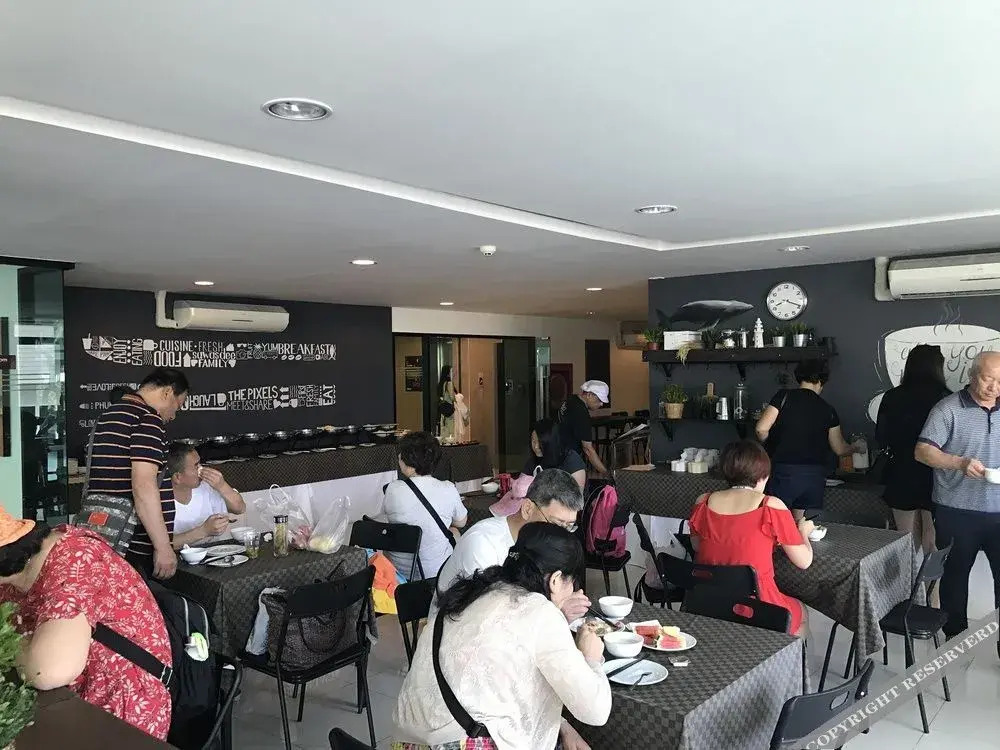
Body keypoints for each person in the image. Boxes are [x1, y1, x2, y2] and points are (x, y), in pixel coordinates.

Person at [393, 523, 611, 750]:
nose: (573, 591)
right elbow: (595, 711)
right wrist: (591, 658)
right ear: (555, 580)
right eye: (572, 583)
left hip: (407, 742)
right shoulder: (541, 612)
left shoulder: (471, 592)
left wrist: (562, 726)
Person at [0, 510, 172, 739]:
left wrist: (7, 644)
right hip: (61, 700)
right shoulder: (13, 572)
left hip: (120, 707)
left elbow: (48, 671)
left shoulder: (75, 559)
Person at [688, 440, 814, 637]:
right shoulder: (770, 506)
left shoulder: (703, 501)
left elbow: (696, 545)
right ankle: (791, 657)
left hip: (708, 602)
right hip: (758, 607)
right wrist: (803, 532)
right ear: (763, 476)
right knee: (802, 612)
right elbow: (804, 562)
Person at [915, 351, 1000, 644]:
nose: (994, 387)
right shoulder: (947, 409)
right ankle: (956, 642)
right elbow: (922, 451)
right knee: (954, 579)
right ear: (972, 375)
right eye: (988, 379)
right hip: (956, 511)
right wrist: (959, 463)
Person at [86, 367, 189, 579]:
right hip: (132, 544)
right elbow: (144, 487)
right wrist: (163, 547)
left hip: (102, 535)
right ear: (167, 392)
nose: (173, 415)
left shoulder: (107, 417)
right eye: (177, 406)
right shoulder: (147, 419)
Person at [755, 359, 861, 522]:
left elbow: (761, 429)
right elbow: (839, 448)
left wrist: (772, 442)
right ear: (821, 381)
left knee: (775, 522)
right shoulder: (828, 409)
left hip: (783, 472)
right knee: (802, 525)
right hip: (814, 476)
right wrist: (855, 448)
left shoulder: (784, 397)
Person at [876, 345, 950, 561]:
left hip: (900, 471)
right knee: (932, 540)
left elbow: (881, 437)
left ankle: (907, 582)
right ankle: (932, 584)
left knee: (905, 539)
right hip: (935, 474)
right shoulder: (946, 398)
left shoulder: (892, 396)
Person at [383, 431, 467, 579]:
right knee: (454, 531)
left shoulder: (392, 489)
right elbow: (461, 522)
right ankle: (454, 581)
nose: (399, 457)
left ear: (408, 461)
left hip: (398, 572)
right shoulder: (447, 488)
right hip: (433, 572)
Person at [166, 442, 247, 549]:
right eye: (196, 466)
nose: (202, 469)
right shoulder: (160, 499)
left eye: (200, 464)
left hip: (214, 552)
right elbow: (161, 544)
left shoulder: (205, 487)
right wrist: (204, 531)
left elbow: (240, 508)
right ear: (177, 477)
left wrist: (222, 486)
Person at [558, 380, 609, 477]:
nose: (601, 404)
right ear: (589, 395)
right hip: (567, 460)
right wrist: (606, 473)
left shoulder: (570, 399)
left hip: (556, 454)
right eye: (600, 400)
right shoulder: (581, 413)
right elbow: (588, 449)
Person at [524, 418, 586, 489]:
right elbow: (520, 485)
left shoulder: (572, 461)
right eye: (533, 441)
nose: (535, 447)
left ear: (551, 442)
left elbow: (577, 494)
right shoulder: (533, 461)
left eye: (540, 442)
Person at [438, 365, 456, 438]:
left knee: (445, 429)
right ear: (448, 373)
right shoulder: (449, 384)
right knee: (451, 430)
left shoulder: (442, 383)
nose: (453, 373)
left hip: (444, 409)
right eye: (451, 371)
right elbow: (452, 397)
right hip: (450, 410)